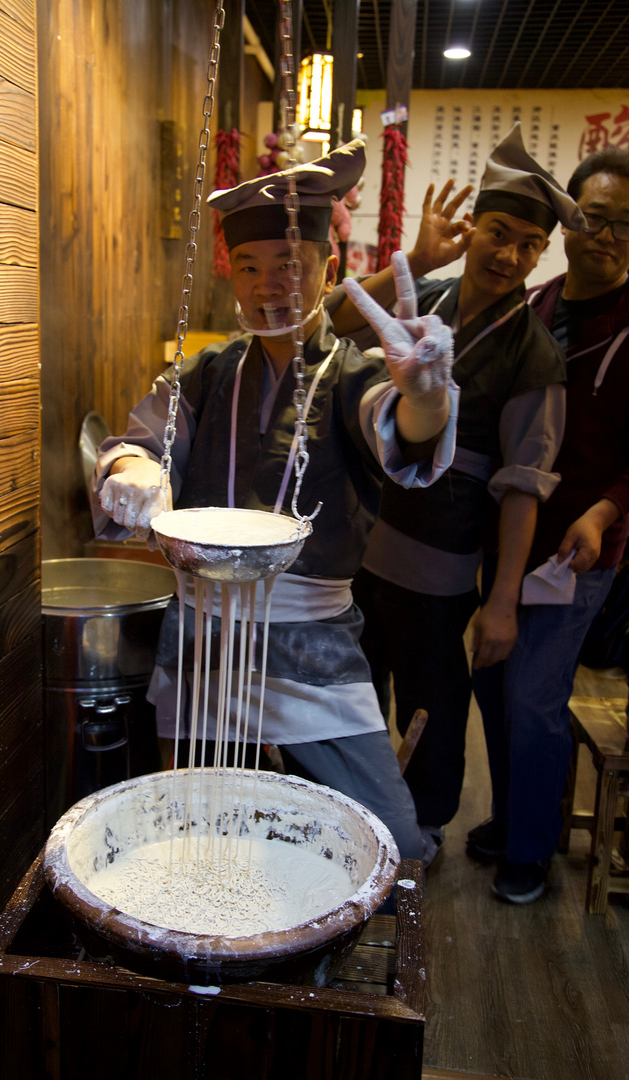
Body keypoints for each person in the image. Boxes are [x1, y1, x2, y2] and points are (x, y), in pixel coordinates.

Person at [90, 138, 460, 867]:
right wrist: (132, 467)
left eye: (289, 264)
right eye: (251, 267)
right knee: (191, 829)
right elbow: (140, 438)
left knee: (392, 838)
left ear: (326, 268)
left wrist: (425, 393)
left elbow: (402, 429)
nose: (269, 286)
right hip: (202, 637)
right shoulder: (205, 372)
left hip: (312, 645)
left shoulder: (354, 374)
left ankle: (323, 956)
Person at [329, 124, 584, 864]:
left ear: (543, 254)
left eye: (529, 244)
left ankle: (429, 822)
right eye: (499, 232)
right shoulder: (425, 294)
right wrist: (412, 257)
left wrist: (501, 600)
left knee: (432, 699)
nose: (509, 255)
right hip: (361, 542)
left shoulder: (536, 354)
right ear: (473, 227)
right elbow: (338, 322)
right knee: (354, 688)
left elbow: (521, 489)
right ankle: (351, 810)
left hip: (440, 567)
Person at [467, 145, 629, 903]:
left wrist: (603, 512)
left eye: (626, 226)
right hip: (507, 534)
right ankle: (511, 817)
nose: (608, 237)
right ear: (568, 220)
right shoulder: (532, 306)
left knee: (534, 694)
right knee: (493, 683)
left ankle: (529, 851)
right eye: (595, 218)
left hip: (580, 547)